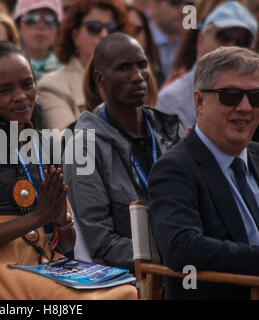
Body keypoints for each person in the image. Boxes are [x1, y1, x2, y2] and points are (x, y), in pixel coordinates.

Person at [0, 41, 137, 300]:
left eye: (27, 84)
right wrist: (35, 218)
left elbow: (67, 244)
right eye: (5, 90)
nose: (21, 95)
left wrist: (59, 219)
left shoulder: (42, 143)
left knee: (126, 291)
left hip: (47, 265)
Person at [148, 46, 259, 300]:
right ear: (199, 101)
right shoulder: (175, 169)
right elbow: (183, 249)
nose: (245, 107)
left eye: (255, 96)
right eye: (231, 95)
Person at [63, 33, 183, 272]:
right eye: (124, 68)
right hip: (132, 278)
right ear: (100, 79)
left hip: (185, 265)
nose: (138, 77)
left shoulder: (169, 128)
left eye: (142, 65)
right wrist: (171, 252)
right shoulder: (83, 146)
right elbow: (101, 242)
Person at [156, 1, 257, 129]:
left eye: (243, 42)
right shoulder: (172, 98)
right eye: (224, 37)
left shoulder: (258, 97)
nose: (232, 47)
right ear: (201, 40)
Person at [38, 0, 131, 131]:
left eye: (112, 29)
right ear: (75, 36)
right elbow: (68, 145)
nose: (104, 34)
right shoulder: (52, 86)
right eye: (94, 27)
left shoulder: (133, 80)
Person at [13, 0, 63, 82]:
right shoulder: (6, 66)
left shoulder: (67, 68)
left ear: (58, 29)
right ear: (18, 26)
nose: (41, 25)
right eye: (31, 18)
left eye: (49, 19)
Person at [149, 0, 191, 85]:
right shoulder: (141, 40)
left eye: (189, 4)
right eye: (175, 3)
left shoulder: (187, 42)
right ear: (154, 5)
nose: (184, 10)